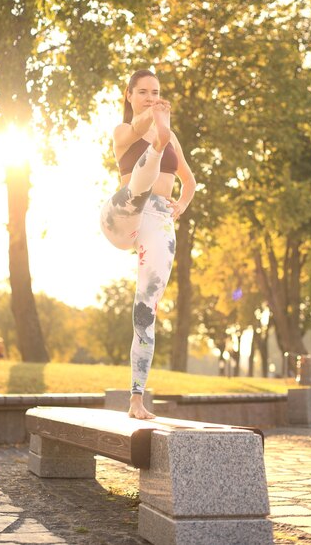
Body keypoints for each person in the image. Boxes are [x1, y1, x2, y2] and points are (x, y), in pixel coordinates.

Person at [100, 69, 196, 419]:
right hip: (123, 213)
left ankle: (136, 400)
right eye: (143, 92)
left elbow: (189, 179)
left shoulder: (174, 139)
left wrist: (182, 204)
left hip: (157, 218)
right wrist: (155, 128)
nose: (150, 97)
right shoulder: (123, 131)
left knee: (146, 310)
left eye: (155, 91)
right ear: (129, 95)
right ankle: (154, 152)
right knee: (141, 186)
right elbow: (139, 127)